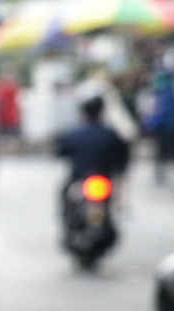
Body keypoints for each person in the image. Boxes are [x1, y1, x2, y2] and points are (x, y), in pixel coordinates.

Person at [54, 94, 132, 236]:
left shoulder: (74, 134)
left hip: (81, 181)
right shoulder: (111, 135)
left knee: (65, 195)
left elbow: (59, 151)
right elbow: (123, 158)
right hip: (102, 182)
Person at [143, 71, 174, 185]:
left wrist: (151, 125)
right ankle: (161, 173)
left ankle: (162, 173)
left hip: (165, 128)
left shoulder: (166, 95)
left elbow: (161, 113)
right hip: (165, 128)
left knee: (163, 152)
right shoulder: (162, 94)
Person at [0, 69, 22, 153]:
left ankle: (9, 149)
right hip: (3, 114)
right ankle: (4, 149)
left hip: (10, 114)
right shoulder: (0, 86)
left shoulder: (13, 86)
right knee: (2, 133)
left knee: (10, 133)